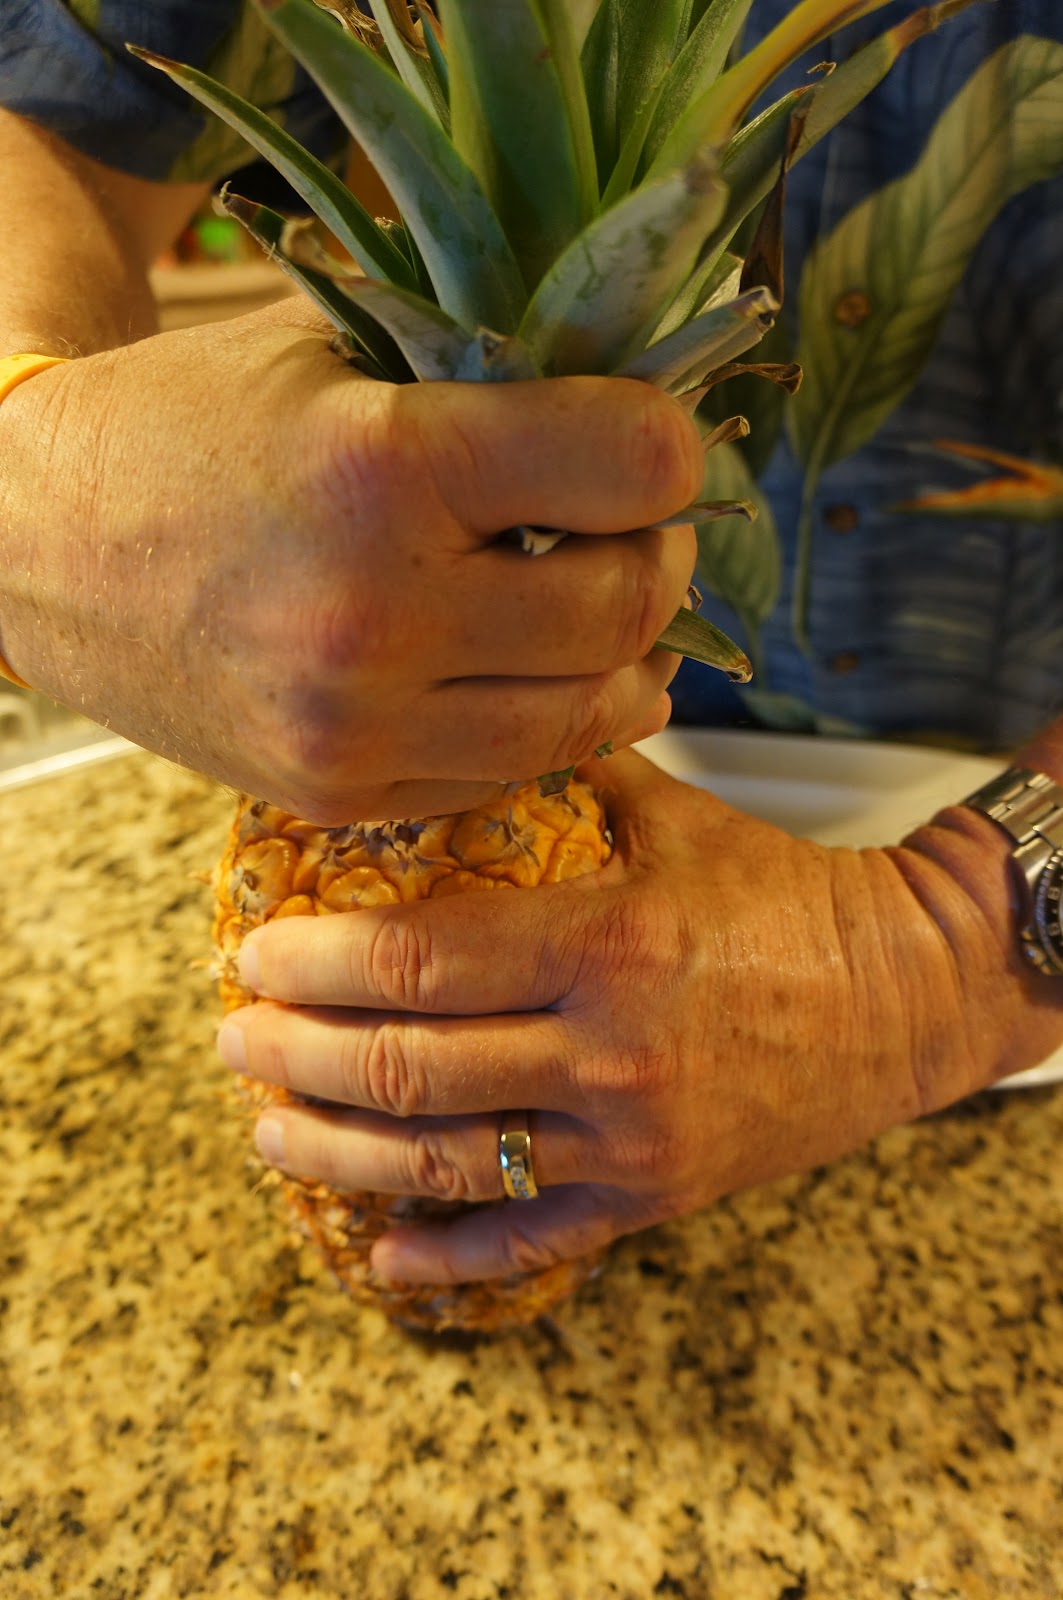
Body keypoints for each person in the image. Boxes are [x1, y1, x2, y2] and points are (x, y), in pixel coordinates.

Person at [2, 0, 1062, 1291]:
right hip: (412, 759)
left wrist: (941, 954)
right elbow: (40, 129)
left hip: (1016, 886)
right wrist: (38, 480)